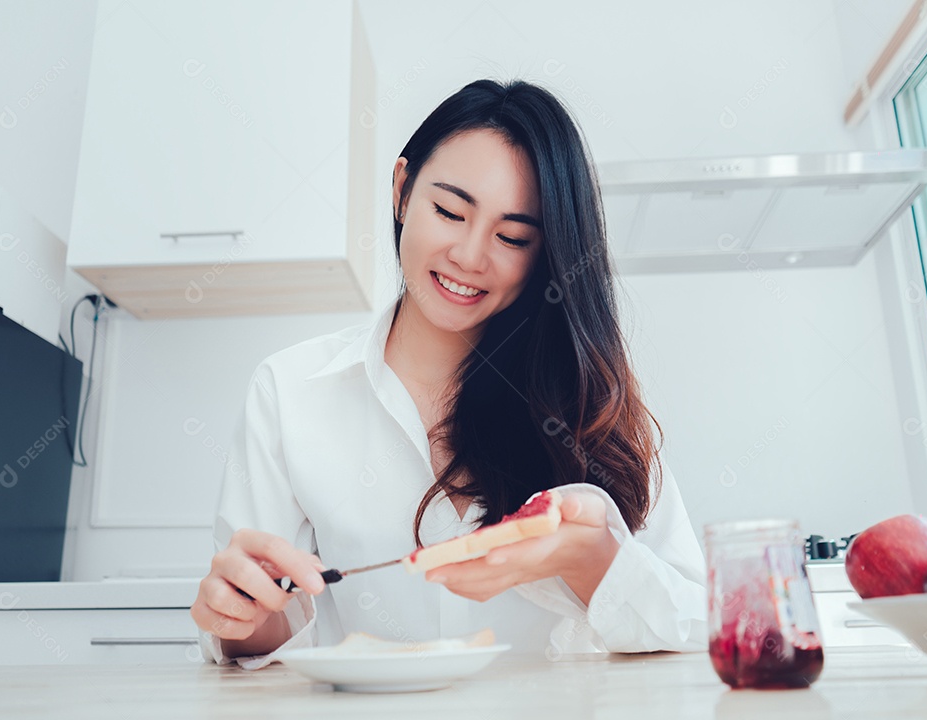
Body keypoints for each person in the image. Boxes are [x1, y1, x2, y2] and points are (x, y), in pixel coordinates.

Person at [191, 79, 708, 668]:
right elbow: (256, 636)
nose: (469, 256)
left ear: (545, 254)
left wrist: (591, 557)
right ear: (401, 191)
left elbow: (699, 624)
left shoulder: (592, 399)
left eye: (512, 237)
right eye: (449, 212)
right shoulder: (289, 391)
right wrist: (240, 617)